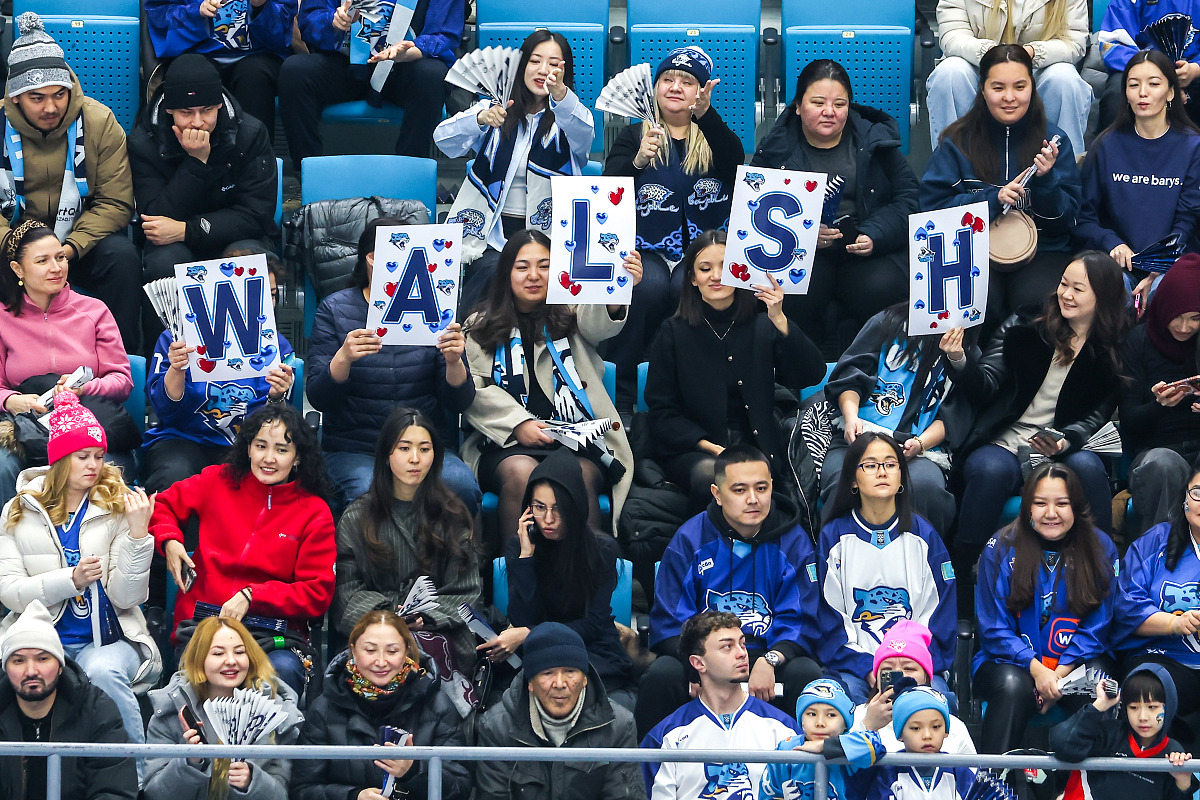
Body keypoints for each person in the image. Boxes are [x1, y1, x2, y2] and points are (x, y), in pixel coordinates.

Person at [0, 392, 159, 768]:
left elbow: (127, 598)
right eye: (82, 456)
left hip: (109, 639)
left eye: (99, 456)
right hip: (38, 638)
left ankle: (136, 778)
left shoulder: (119, 505)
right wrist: (69, 579)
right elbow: (10, 592)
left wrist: (138, 537)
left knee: (102, 671)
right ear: (59, 459)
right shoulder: (19, 509)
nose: (94, 465)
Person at [948, 252, 1128, 576]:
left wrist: (1065, 442)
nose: (1066, 294)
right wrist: (960, 359)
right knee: (990, 470)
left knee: (1088, 467)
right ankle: (964, 570)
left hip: (1062, 446)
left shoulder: (1111, 350)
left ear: (1102, 298)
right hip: (1004, 440)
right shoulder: (1025, 325)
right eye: (1063, 284)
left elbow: (1096, 417)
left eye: (1078, 289)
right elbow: (986, 384)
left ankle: (1103, 570)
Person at [462, 229, 639, 540]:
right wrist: (518, 424)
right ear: (506, 273)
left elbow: (599, 325)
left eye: (544, 266)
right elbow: (472, 390)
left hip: (579, 439)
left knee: (576, 475)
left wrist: (617, 289)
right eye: (522, 267)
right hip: (506, 443)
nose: (534, 275)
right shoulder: (479, 325)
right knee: (521, 472)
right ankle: (517, 567)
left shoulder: (573, 313)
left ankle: (586, 568)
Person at [638, 446, 823, 739]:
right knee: (663, 674)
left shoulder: (794, 542)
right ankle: (648, 765)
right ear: (717, 493)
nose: (753, 499)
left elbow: (802, 621)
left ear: (772, 487)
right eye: (739, 490)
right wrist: (699, 666)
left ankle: (802, 765)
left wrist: (771, 659)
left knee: (806, 674)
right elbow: (671, 622)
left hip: (767, 655)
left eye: (761, 488)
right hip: (705, 656)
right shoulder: (690, 539)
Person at [150, 404, 336, 695]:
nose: (268, 458)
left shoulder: (314, 512)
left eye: (281, 450)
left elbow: (317, 592)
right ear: (248, 448)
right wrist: (170, 540)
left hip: (272, 633)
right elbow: (160, 505)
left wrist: (253, 596)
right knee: (201, 674)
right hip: (205, 625)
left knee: (282, 672)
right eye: (260, 446)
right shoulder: (217, 480)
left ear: (298, 457)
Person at [644, 230, 825, 514]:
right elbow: (662, 412)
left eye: (726, 267)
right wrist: (710, 447)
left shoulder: (762, 324)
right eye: (705, 269)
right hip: (695, 448)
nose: (716, 276)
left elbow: (810, 374)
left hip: (756, 444)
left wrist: (779, 318)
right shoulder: (672, 332)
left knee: (757, 477)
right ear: (692, 278)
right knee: (711, 474)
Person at [602, 46, 743, 410]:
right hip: (644, 245)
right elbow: (608, 188)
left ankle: (693, 387)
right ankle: (623, 390)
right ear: (655, 88)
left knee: (688, 287)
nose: (675, 87)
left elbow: (735, 164)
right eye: (667, 79)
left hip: (702, 247)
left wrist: (707, 117)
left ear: (701, 91)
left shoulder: (712, 134)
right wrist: (637, 161)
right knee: (646, 287)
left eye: (687, 81)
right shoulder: (634, 135)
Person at [306, 217, 478, 515]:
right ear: (371, 259)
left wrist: (454, 362)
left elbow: (459, 402)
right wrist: (343, 359)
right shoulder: (334, 309)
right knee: (365, 493)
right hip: (356, 447)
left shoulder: (437, 308)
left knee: (461, 486)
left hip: (422, 444)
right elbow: (319, 398)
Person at [752, 59, 918, 353]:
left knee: (883, 286)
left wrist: (875, 233)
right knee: (791, 292)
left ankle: (876, 367)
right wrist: (801, 235)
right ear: (798, 106)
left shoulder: (875, 141)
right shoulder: (774, 148)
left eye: (839, 104)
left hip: (865, 246)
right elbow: (753, 210)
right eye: (818, 103)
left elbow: (909, 198)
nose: (829, 111)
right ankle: (799, 371)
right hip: (800, 253)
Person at [0, 14, 141, 351]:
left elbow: (115, 202)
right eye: (37, 98)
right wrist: (18, 249)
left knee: (122, 257)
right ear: (16, 96)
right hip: (12, 247)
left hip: (77, 244)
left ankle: (123, 363)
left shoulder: (98, 121)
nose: (51, 107)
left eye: (59, 94)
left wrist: (69, 249)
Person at [922, 44, 1083, 333]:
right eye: (998, 87)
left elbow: (1068, 223)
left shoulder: (1055, 141)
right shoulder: (956, 141)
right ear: (982, 90)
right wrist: (992, 200)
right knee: (978, 300)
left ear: (1032, 88)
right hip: (970, 249)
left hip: (1043, 250)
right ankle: (964, 363)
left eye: (1019, 87)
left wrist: (1046, 181)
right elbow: (932, 212)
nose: (1009, 97)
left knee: (1036, 301)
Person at [129, 54, 279, 351]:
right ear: (169, 109)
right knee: (164, 262)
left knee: (245, 258)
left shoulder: (249, 133)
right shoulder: (144, 141)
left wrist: (189, 230)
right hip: (171, 243)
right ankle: (165, 363)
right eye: (186, 112)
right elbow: (155, 219)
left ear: (220, 104)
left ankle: (253, 362)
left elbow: (256, 214)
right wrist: (196, 163)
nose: (198, 122)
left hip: (236, 236)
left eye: (207, 110)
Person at [436, 31, 594, 308]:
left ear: (564, 72)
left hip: (550, 234)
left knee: (541, 278)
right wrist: (480, 119)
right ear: (521, 66)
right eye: (535, 61)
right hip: (493, 231)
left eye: (553, 63)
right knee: (490, 271)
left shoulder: (572, 116)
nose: (543, 70)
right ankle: (471, 336)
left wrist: (561, 97)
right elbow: (443, 140)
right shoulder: (495, 108)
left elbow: (584, 136)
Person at [973, 463, 1120, 754]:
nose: (1051, 513)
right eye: (1040, 503)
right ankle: (992, 778)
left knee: (1100, 686)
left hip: (1075, 663)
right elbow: (993, 628)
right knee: (1012, 686)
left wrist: (1058, 676)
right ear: (1027, 506)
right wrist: (1038, 671)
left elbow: (1099, 625)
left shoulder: (1100, 547)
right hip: (1011, 663)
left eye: (1062, 504)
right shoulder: (999, 547)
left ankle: (1090, 781)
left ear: (1076, 506)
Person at [0, 220, 138, 506]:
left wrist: (84, 389)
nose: (56, 268)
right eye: (42, 261)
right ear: (18, 269)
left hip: (89, 425)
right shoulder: (3, 318)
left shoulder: (94, 310)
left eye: (60, 257)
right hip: (26, 427)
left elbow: (122, 380)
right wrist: (14, 401)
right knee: (3, 466)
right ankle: (12, 533)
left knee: (107, 466)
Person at [814, 432, 957, 705]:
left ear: (901, 476)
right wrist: (868, 668)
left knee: (933, 706)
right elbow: (828, 619)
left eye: (891, 464)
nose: (882, 472)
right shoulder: (834, 538)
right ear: (852, 479)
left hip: (916, 665)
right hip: (855, 669)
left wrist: (910, 665)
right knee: (840, 705)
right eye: (870, 465)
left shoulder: (925, 537)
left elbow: (940, 618)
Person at [487, 449, 637, 710]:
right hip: (535, 647)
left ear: (575, 506)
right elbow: (521, 618)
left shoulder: (602, 549)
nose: (548, 519)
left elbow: (593, 624)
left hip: (589, 647)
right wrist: (526, 557)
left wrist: (530, 633)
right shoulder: (520, 546)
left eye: (558, 508)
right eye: (539, 507)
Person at [333, 407, 480, 671]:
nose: (415, 459)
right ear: (386, 454)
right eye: (404, 448)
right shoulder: (357, 517)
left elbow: (465, 592)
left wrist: (427, 617)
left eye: (424, 449)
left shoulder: (452, 515)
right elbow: (346, 591)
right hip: (374, 633)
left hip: (437, 634)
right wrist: (390, 616)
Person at [142, 250, 295, 494]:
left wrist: (277, 396)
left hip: (248, 443)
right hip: (183, 437)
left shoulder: (277, 347)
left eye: (272, 295)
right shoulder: (175, 338)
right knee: (173, 476)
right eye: (257, 293)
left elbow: (274, 423)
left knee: (257, 477)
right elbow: (163, 410)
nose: (265, 302)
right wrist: (176, 370)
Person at [822, 304, 973, 536]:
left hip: (921, 448)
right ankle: (836, 554)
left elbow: (957, 413)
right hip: (859, 436)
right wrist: (851, 418)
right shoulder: (885, 322)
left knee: (926, 487)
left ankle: (925, 556)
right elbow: (849, 378)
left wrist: (920, 443)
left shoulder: (966, 346)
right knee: (846, 480)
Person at [292, 610, 470, 800]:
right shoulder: (325, 708)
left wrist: (413, 770)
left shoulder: (438, 705)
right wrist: (354, 796)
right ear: (353, 651)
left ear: (406, 652)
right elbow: (302, 790)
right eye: (370, 650)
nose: (381, 661)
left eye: (392, 651)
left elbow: (461, 788)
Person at [1074, 50, 1200, 308]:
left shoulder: (1193, 146)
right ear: (1126, 93)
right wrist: (1113, 243)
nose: (1143, 92)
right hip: (1117, 262)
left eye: (1153, 84)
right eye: (1134, 85)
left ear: (1171, 92)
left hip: (1173, 261)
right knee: (1110, 294)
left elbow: (1188, 220)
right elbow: (1084, 218)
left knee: (1166, 292)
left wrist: (1160, 265)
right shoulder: (1106, 144)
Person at [641, 611, 802, 799]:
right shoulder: (665, 737)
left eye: (743, 644)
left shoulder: (783, 729)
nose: (742, 653)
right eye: (727, 647)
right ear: (698, 663)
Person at [280, 0, 464, 164]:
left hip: (404, 65)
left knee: (432, 75)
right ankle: (306, 173)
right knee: (295, 70)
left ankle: (410, 172)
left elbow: (444, 33)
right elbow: (310, 19)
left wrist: (414, 50)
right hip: (344, 63)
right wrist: (333, 21)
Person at [475, 621, 641, 800]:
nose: (560, 684)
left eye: (570, 671)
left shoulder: (619, 725)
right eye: (548, 673)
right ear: (530, 683)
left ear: (584, 679)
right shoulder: (496, 727)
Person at [143, 616, 303, 800]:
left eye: (239, 652)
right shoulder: (169, 710)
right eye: (218, 653)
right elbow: (154, 793)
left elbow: (282, 794)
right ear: (200, 660)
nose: (231, 661)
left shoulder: (276, 713)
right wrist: (189, 763)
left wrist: (252, 781)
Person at [0, 600, 137, 799]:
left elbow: (115, 790)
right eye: (18, 660)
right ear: (6, 668)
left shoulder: (96, 709)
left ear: (60, 666)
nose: (31, 671)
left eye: (42, 659)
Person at [926, 0, 1093, 152]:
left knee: (1065, 79)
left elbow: (1073, 43)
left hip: (1037, 68)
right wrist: (995, 55)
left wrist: (1031, 53)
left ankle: (1063, 169)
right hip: (978, 65)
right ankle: (949, 165)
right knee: (949, 73)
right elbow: (953, 37)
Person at [1118, 253, 1200, 535]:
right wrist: (1158, 404)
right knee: (1164, 465)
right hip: (1156, 452)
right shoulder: (1137, 341)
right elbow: (1129, 422)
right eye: (1177, 317)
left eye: (1195, 319)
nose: (1185, 327)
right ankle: (1162, 554)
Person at [1113, 462, 1200, 723]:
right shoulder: (1156, 541)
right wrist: (1175, 623)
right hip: (1164, 661)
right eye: (1198, 493)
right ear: (1185, 498)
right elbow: (1126, 607)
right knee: (1147, 684)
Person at [145, 0, 294, 138]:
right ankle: (195, 152)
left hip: (258, 56)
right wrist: (196, 11)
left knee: (254, 75)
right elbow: (158, 15)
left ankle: (257, 152)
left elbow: (286, 30)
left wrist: (261, 7)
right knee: (194, 75)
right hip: (197, 53)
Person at [1051, 665, 1197, 800]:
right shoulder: (1109, 733)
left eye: (1152, 707)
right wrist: (1098, 706)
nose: (1143, 717)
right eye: (1134, 707)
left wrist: (1183, 783)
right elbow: (1063, 747)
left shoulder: (1173, 753)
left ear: (1169, 707)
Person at [850, 620, 977, 755]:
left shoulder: (952, 726)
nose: (901, 676)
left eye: (909, 668)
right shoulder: (855, 717)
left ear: (926, 677)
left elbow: (971, 768)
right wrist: (869, 725)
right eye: (888, 669)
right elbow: (842, 765)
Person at [758, 679, 886, 800]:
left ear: (845, 723)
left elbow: (874, 745)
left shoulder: (853, 747)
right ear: (801, 719)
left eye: (831, 715)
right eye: (811, 714)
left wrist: (826, 746)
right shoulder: (787, 748)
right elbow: (768, 793)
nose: (820, 723)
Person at [1097, 0, 1200, 131]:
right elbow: (1113, 46)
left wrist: (1196, 69)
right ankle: (1114, 143)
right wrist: (1157, 76)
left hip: (1192, 75)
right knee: (1117, 93)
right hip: (1141, 70)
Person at [869, 687, 977, 800]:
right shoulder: (888, 773)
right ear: (900, 734)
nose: (927, 735)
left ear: (946, 731)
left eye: (936, 727)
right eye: (916, 728)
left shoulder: (959, 772)